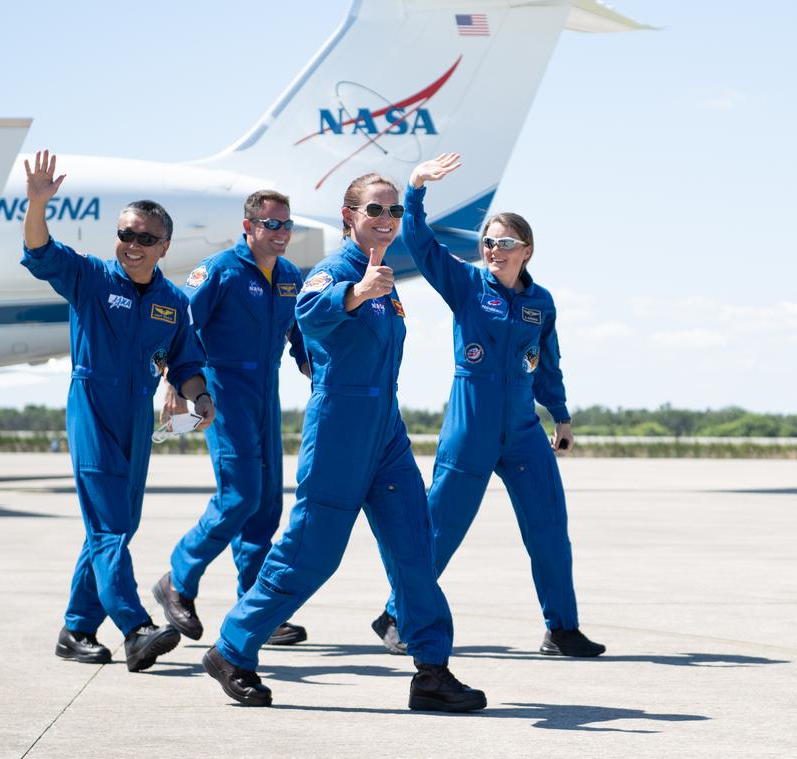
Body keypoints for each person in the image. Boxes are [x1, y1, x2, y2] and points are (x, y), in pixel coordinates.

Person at [202, 171, 486, 712]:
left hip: (386, 429)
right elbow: (308, 313)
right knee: (313, 553)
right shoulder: (334, 272)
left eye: (394, 213)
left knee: (414, 547)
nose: (385, 221)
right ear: (349, 217)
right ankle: (232, 648)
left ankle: (431, 670)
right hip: (339, 427)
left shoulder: (388, 279)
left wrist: (374, 284)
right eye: (374, 211)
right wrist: (354, 294)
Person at [373, 153, 605, 658]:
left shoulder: (540, 302)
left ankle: (561, 628)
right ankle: (396, 613)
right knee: (438, 531)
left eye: (504, 243)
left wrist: (560, 416)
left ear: (527, 250)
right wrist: (415, 189)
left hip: (522, 431)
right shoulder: (467, 285)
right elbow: (421, 243)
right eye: (488, 242)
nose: (494, 250)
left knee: (549, 529)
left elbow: (548, 364)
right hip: (470, 429)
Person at [20, 149, 214, 672]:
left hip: (136, 417)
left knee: (117, 527)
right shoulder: (90, 278)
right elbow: (40, 252)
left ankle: (76, 628)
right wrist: (37, 204)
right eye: (126, 234)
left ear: (164, 246)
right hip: (92, 409)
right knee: (108, 526)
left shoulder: (173, 301)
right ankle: (135, 628)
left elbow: (186, 361)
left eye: (145, 238)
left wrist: (199, 397)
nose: (132, 245)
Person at [152, 190, 309, 648]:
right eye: (271, 225)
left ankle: (255, 608)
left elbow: (299, 339)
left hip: (266, 392)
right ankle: (178, 580)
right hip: (222, 393)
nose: (280, 233)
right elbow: (179, 327)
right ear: (249, 227)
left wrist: (316, 370)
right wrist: (173, 385)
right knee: (239, 496)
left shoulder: (289, 278)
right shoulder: (220, 270)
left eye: (286, 225)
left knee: (266, 505)